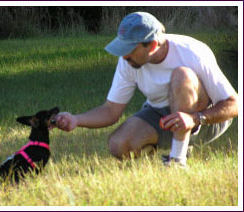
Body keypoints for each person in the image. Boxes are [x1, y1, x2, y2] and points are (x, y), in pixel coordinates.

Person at [54, 12, 238, 167]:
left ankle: (178, 160)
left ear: (153, 45)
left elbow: (234, 104)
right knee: (118, 145)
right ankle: (165, 154)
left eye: (130, 49)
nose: (124, 55)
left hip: (206, 119)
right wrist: (76, 120)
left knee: (182, 75)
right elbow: (111, 110)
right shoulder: (127, 61)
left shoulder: (193, 52)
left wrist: (194, 118)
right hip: (161, 113)